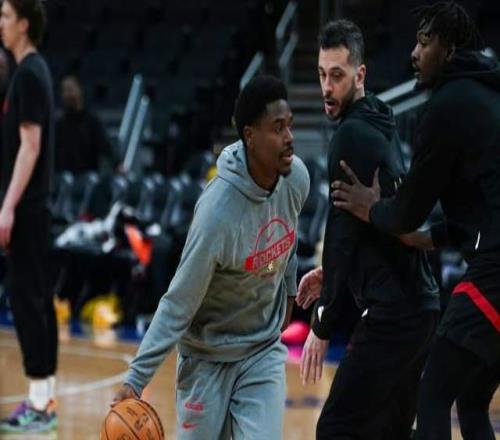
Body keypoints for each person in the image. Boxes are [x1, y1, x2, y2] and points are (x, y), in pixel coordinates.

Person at [330, 3, 500, 439]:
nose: (414, 53)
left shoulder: (449, 105)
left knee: (433, 394)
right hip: (491, 255)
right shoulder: (486, 94)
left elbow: (406, 210)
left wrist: (371, 207)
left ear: (450, 49)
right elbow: (472, 220)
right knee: (472, 401)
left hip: (496, 271)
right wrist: (421, 239)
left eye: (425, 43)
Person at [112, 75, 310, 440]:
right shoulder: (216, 214)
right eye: (277, 128)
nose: (289, 138)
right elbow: (179, 302)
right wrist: (135, 379)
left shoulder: (296, 177)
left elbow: (289, 235)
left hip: (261, 350)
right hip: (206, 357)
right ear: (250, 136)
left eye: (290, 125)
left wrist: (289, 292)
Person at [297, 19, 440, 440]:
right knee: (390, 431)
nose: (327, 88)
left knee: (336, 429)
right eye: (321, 75)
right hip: (420, 307)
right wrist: (332, 274)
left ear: (359, 75)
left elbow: (342, 232)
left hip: (394, 313)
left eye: (337, 76)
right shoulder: (380, 120)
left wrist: (322, 323)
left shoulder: (351, 136)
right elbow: (369, 226)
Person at [0, 0, 57, 434]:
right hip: (32, 209)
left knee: (28, 302)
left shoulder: (29, 74)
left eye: (4, 15)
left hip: (28, 209)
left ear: (23, 23)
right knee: (35, 300)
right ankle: (43, 398)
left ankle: (39, 403)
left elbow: (30, 147)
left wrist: (7, 206)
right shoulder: (28, 72)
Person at [55, 74, 115, 173]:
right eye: (64, 91)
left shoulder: (92, 121)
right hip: (65, 176)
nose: (67, 94)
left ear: (79, 90)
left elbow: (105, 146)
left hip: (88, 175)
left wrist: (117, 165)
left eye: (70, 89)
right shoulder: (59, 125)